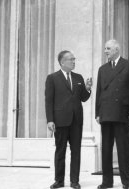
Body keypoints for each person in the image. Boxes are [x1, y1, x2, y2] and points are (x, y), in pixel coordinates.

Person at [95, 39, 129, 189]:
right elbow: (99, 93)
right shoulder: (102, 69)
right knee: (106, 150)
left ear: (116, 50)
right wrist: (97, 112)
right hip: (106, 114)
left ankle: (126, 182)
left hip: (123, 114)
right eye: (105, 49)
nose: (105, 51)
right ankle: (107, 181)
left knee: (123, 150)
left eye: (108, 49)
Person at [45, 50, 92, 189]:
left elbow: (83, 97)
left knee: (76, 151)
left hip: (76, 121)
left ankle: (74, 181)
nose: (73, 61)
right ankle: (59, 181)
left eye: (74, 59)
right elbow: (49, 101)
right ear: (62, 62)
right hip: (60, 120)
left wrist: (88, 89)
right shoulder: (52, 78)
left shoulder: (78, 77)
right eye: (71, 59)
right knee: (60, 151)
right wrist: (50, 120)